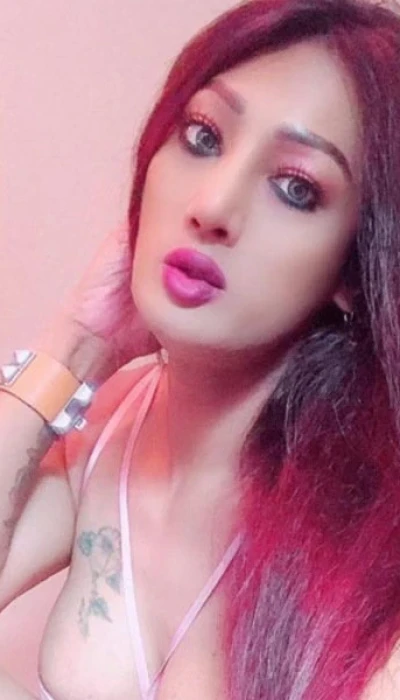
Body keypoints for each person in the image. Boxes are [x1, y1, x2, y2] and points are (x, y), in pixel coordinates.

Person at [1, 0, 400, 697]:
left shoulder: (372, 538)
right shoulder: (112, 431)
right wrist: (74, 343)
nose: (213, 206)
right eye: (204, 136)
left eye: (296, 187)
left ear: (352, 268)